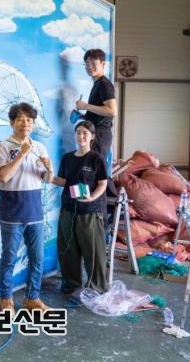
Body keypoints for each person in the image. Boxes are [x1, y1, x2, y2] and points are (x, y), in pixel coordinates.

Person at [0, 102, 54, 316]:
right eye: (20, 119)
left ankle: (32, 298)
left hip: (35, 210)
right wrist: (21, 154)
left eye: (29, 120)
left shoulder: (40, 147)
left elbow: (47, 179)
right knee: (9, 258)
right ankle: (6, 299)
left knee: (37, 258)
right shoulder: (3, 146)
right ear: (12, 123)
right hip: (11, 211)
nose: (25, 123)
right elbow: (4, 176)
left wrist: (49, 169)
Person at [51, 121, 108, 294]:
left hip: (90, 213)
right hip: (68, 210)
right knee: (68, 251)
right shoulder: (67, 158)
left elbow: (102, 184)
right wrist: (47, 176)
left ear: (92, 136)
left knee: (93, 252)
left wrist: (91, 198)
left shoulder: (96, 158)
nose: (81, 136)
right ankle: (71, 284)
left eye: (85, 133)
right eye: (78, 132)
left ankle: (96, 288)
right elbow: (63, 181)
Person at [75, 49, 117, 162]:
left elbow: (112, 111)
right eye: (87, 64)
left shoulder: (104, 84)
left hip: (99, 134)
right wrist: (83, 116)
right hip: (95, 133)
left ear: (103, 64)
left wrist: (85, 106)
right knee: (90, 166)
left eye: (93, 63)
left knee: (94, 168)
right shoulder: (98, 83)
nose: (89, 66)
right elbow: (101, 112)